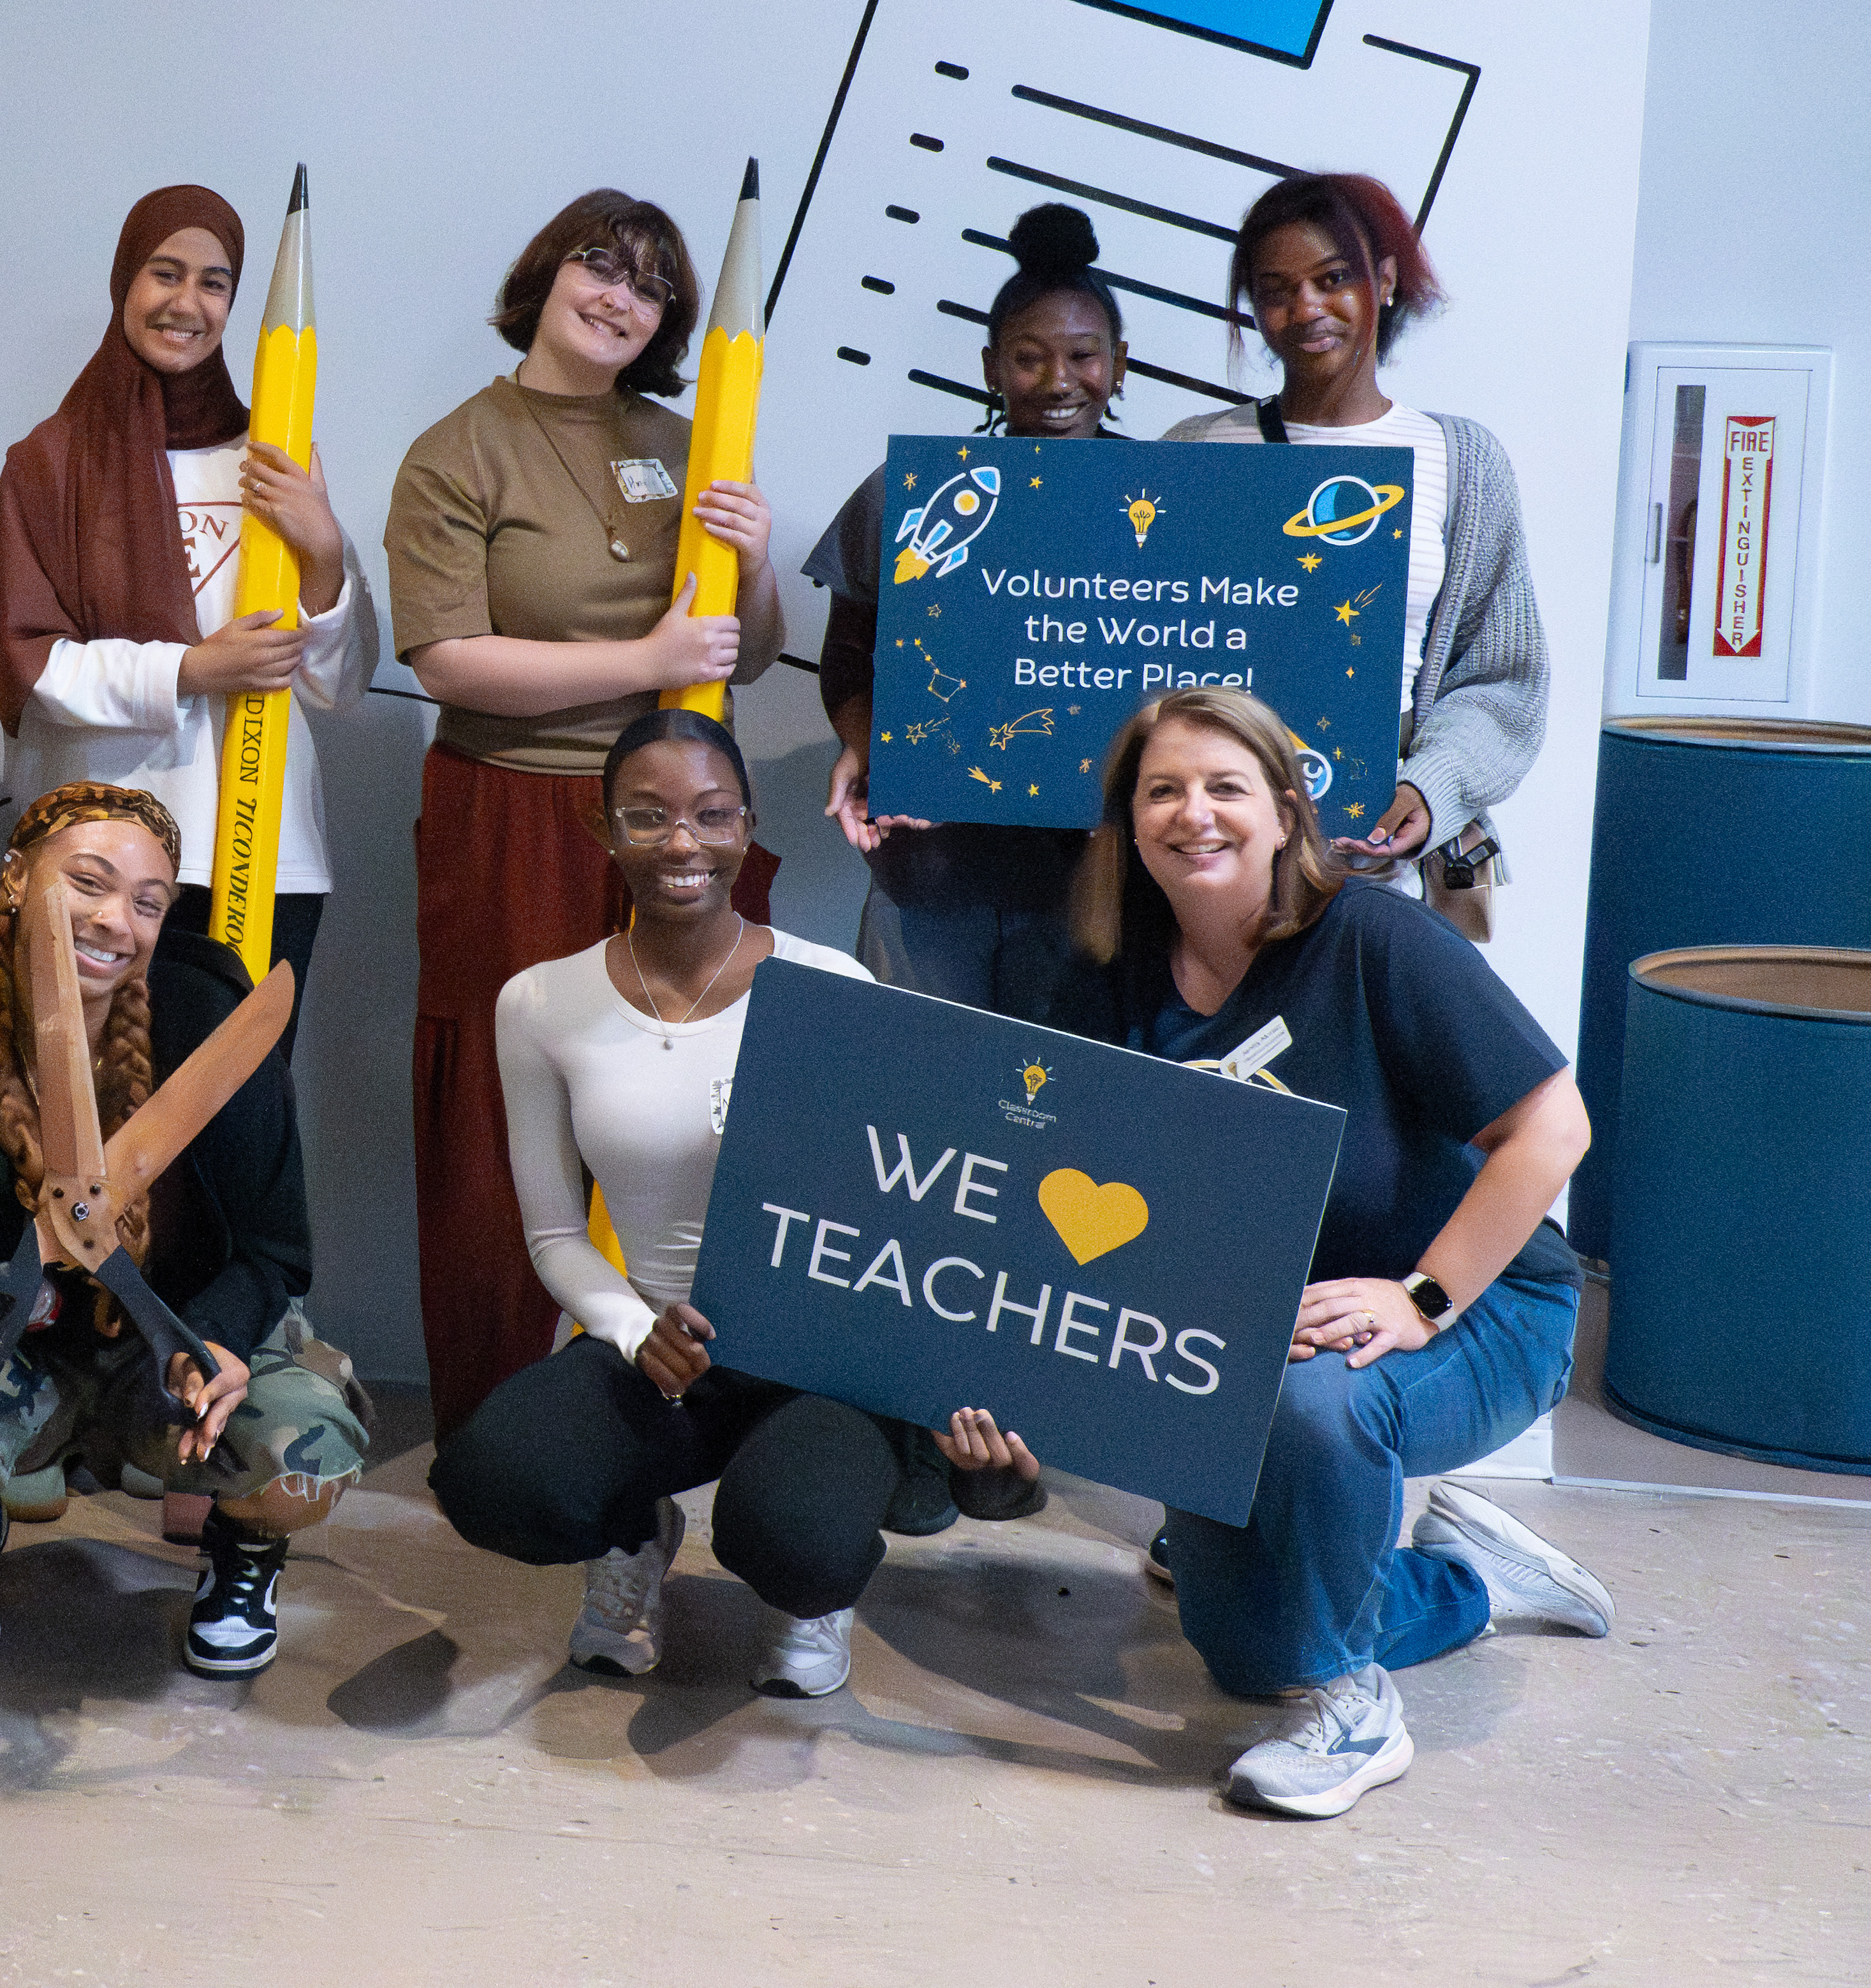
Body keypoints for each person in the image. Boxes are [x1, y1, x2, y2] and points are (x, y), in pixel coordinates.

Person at [1034, 686, 1605, 1818]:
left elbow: (1555, 1129)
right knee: (1244, 1651)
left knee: (1309, 1406)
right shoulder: (1109, 971)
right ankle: (1468, 1578)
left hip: (1481, 1308)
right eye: (1161, 790)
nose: (1192, 813)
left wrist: (1420, 1297)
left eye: (1223, 786)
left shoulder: (1372, 939)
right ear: (1126, 821)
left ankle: (1351, 1704)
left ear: (1287, 808)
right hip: (1268, 1325)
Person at [427, 711, 1038, 1696]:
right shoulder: (542, 1004)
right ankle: (634, 1535)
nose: (683, 844)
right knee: (491, 1482)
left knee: (800, 1538)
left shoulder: (830, 986)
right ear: (603, 830)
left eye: (713, 816)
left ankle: (810, 1597)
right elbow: (553, 1236)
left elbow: (914, 1213)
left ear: (747, 827)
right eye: (651, 817)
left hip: (820, 1362)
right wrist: (630, 1330)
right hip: (662, 1346)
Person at [385, 189, 783, 1436]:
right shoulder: (459, 450)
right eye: (598, 266)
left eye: (652, 285)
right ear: (545, 277)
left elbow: (745, 653)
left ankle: (664, 1406)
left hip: (671, 823)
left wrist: (756, 560)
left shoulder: (688, 441)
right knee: (509, 1109)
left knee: (685, 1103)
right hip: (514, 813)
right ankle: (507, 1417)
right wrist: (644, 657)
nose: (620, 296)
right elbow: (448, 659)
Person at [0, 783, 368, 1679]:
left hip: (174, 1347)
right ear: (13, 878)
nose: (117, 920)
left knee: (300, 1449)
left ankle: (246, 1558)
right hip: (12, 1353)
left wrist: (223, 1344)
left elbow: (277, 1251)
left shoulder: (212, 1022)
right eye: (88, 883)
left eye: (148, 903)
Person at [0, 186, 378, 999]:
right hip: (98, 859)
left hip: (262, 846)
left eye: (215, 282)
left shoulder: (275, 456)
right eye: (165, 273)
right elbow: (30, 666)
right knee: (87, 1102)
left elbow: (337, 684)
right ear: (126, 280)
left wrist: (327, 552)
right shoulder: (47, 463)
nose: (186, 302)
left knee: (241, 1108)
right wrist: (191, 670)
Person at [1157, 173, 1545, 911]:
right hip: (1208, 865)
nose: (1306, 309)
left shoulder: (1459, 459)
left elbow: (1503, 677)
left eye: (1333, 280)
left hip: (1377, 870)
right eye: (1276, 290)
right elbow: (1135, 642)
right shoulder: (1196, 450)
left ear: (1387, 282)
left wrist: (1429, 789)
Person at [807, 203, 1134, 1015]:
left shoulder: (1163, 510)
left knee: (1061, 1117)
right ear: (991, 367)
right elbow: (846, 659)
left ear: (1120, 365)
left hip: (1097, 886)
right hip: (931, 872)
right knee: (911, 1085)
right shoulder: (917, 496)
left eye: (1083, 356)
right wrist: (865, 743)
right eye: (1029, 358)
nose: (1059, 381)